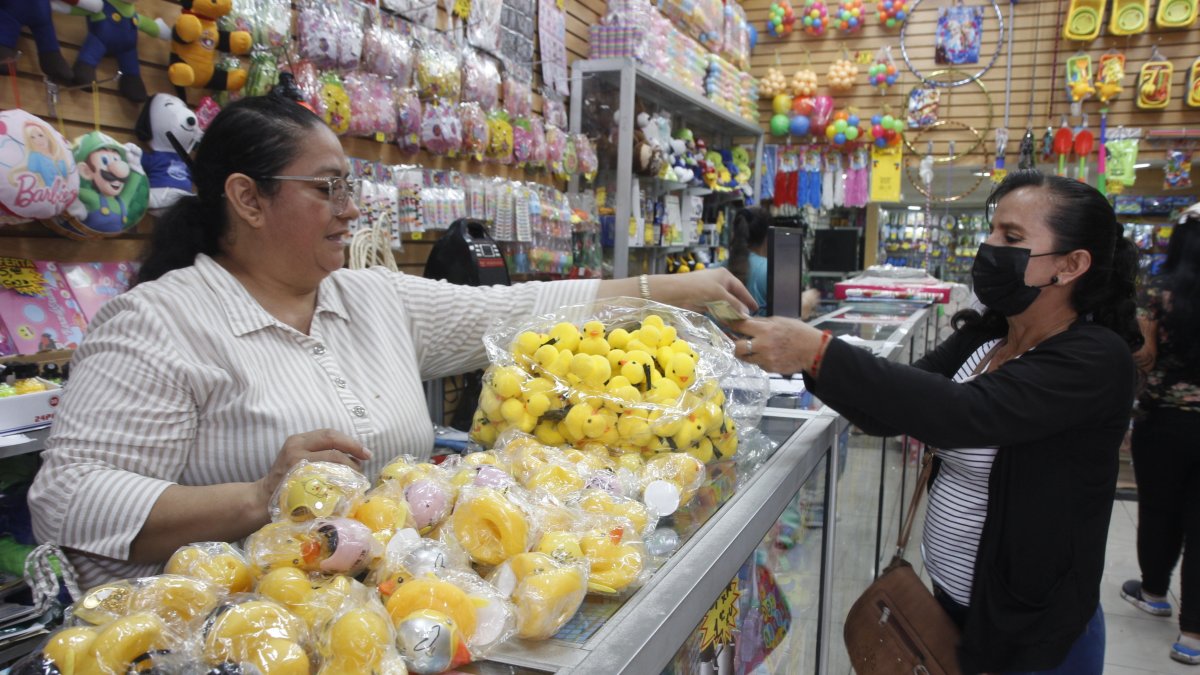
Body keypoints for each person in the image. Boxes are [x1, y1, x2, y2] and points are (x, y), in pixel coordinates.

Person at [27, 93, 756, 589]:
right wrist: (257, 496)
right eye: (328, 190)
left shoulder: (369, 297)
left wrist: (667, 290)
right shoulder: (158, 323)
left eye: (352, 188)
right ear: (248, 198)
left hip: (389, 625)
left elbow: (519, 309)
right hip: (241, 640)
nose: (351, 211)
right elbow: (68, 500)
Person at [733, 171, 1142, 673]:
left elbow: (965, 413)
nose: (989, 247)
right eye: (991, 231)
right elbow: (891, 409)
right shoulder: (990, 335)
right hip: (949, 606)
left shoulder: (1094, 359)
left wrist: (821, 350)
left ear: (1072, 264)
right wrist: (804, 361)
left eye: (1011, 238)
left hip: (1031, 631)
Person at [1120, 204, 1200, 666]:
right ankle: (1192, 634)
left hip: (1164, 422)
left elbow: (1144, 359)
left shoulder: (1158, 293)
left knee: (1160, 510)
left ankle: (1153, 591)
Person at [727, 206, 820, 319]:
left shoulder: (716, 270)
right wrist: (808, 300)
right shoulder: (773, 270)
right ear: (768, 237)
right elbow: (790, 317)